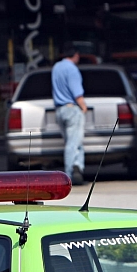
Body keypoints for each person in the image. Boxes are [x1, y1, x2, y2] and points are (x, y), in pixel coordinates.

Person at [52, 42, 87, 185]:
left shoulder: (56, 67)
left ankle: (78, 166)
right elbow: (76, 91)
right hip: (71, 108)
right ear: (76, 55)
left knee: (72, 142)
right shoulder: (72, 69)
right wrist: (83, 106)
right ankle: (69, 174)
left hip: (59, 109)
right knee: (73, 143)